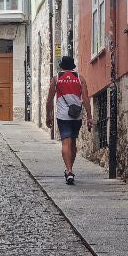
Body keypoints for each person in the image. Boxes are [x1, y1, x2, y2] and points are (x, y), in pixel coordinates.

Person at [46, 55, 92, 184]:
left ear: (61, 66)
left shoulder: (56, 79)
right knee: (73, 142)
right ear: (73, 66)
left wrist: (48, 115)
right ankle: (70, 170)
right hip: (76, 114)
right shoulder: (79, 78)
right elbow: (86, 99)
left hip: (63, 115)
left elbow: (49, 100)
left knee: (66, 142)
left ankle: (69, 170)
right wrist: (89, 116)